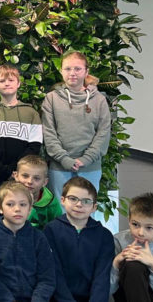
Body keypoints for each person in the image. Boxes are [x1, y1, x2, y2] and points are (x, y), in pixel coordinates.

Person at [42, 50, 111, 206]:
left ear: (86, 72)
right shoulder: (51, 99)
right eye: (67, 69)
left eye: (77, 69)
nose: (72, 73)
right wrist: (64, 159)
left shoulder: (99, 100)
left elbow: (103, 133)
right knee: (60, 211)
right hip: (59, 168)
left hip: (90, 167)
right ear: (61, 71)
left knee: (85, 210)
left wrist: (86, 159)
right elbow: (48, 133)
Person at [0, 64, 42, 221]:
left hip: (22, 176)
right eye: (2, 81)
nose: (7, 83)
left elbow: (34, 145)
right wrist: (3, 170)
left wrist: (16, 170)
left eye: (11, 80)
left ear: (19, 83)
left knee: (20, 214)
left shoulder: (31, 113)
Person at [44, 176, 113, 302]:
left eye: (86, 201)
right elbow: (54, 272)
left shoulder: (105, 236)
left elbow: (102, 277)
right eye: (73, 198)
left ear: (94, 207)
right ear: (62, 200)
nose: (79, 204)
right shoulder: (50, 230)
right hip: (58, 298)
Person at [0, 181, 56, 302]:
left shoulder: (38, 237)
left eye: (23, 204)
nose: (17, 209)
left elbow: (47, 278)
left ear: (30, 209)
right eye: (10, 204)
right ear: (0, 207)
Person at [111, 192, 153, 302]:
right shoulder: (117, 241)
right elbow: (106, 290)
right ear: (129, 220)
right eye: (135, 224)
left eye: (149, 228)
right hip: (126, 296)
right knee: (133, 265)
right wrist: (116, 263)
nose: (140, 233)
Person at [13, 154, 62, 229]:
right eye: (25, 176)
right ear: (16, 176)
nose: (30, 181)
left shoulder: (52, 203)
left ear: (45, 182)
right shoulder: (9, 197)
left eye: (36, 178)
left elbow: (57, 228)